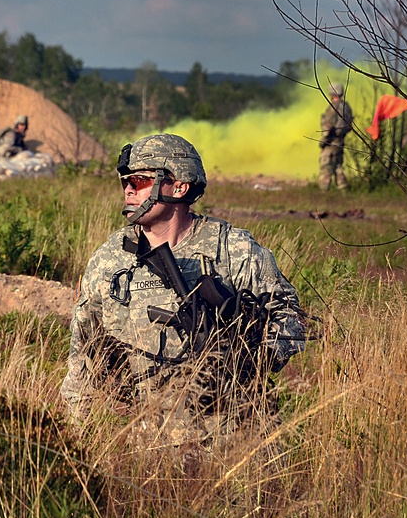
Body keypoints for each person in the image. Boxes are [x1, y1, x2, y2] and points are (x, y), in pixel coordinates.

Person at [60, 134, 307, 448]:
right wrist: (78, 439)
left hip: (233, 440)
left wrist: (254, 358)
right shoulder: (110, 259)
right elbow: (83, 354)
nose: (128, 189)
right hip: (146, 446)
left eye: (140, 180)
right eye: (125, 181)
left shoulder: (231, 248)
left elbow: (291, 316)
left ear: (179, 186)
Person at [319, 82, 353, 190]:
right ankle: (343, 189)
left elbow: (328, 126)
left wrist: (323, 141)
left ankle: (324, 192)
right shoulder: (346, 107)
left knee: (326, 167)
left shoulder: (333, 108)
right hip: (340, 141)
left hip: (331, 141)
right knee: (338, 166)